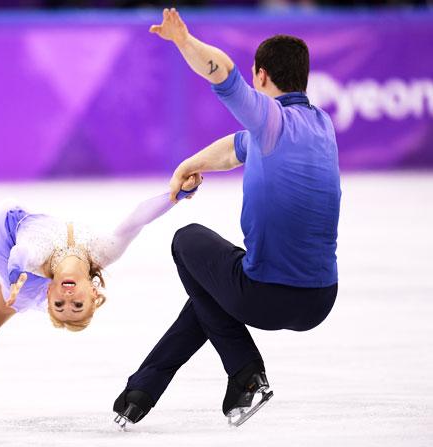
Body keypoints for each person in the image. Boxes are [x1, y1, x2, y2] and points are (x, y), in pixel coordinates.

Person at [113, 8, 341, 428]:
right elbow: (236, 147)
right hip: (321, 300)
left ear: (261, 75)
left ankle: (244, 371)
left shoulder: (271, 120)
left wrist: (184, 41)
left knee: (187, 240)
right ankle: (141, 390)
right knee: (210, 288)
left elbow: (223, 74)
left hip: (266, 297)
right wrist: (190, 164)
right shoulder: (321, 125)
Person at [0, 174, 203, 406]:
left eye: (60, 306)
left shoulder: (36, 257)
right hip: (15, 241)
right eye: (77, 305)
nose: (67, 300)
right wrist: (175, 196)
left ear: (49, 294)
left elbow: (24, 252)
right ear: (93, 293)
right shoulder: (104, 251)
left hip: (4, 239)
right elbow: (136, 220)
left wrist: (15, 273)